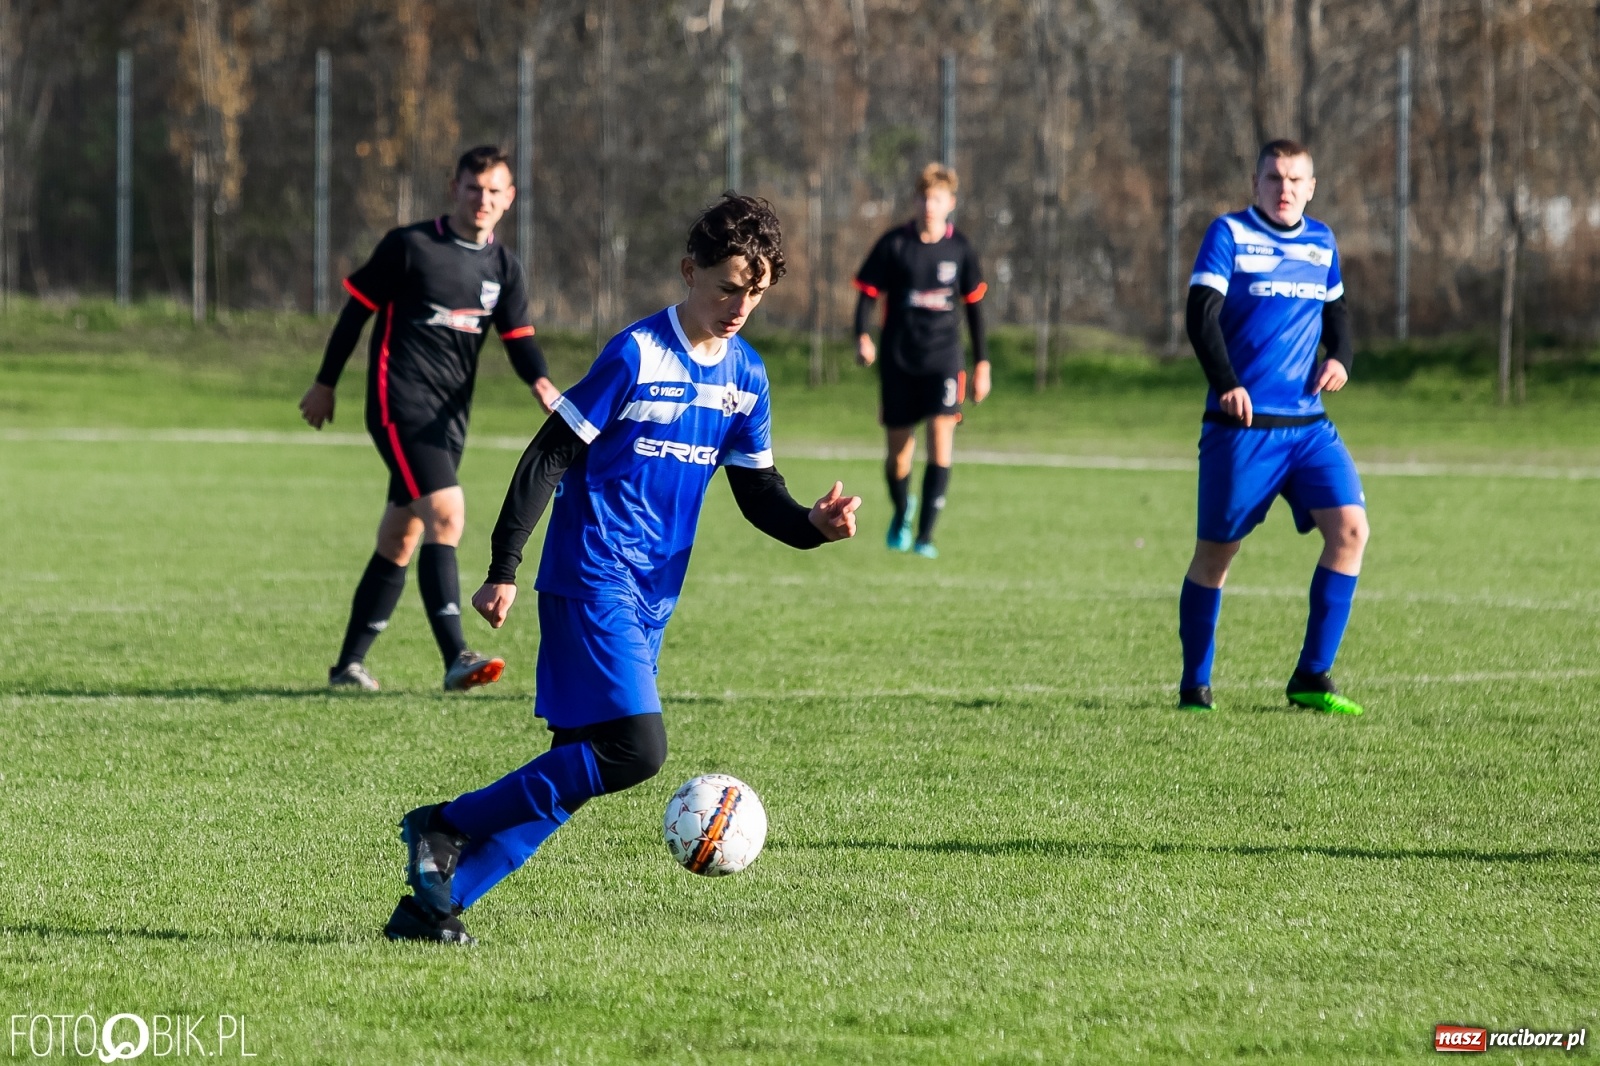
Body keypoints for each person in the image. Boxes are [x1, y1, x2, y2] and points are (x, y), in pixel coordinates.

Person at [384, 194, 861, 944]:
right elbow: (550, 453)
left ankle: (428, 910)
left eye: (756, 292)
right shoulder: (637, 353)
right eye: (727, 287)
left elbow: (757, 494)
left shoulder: (748, 376)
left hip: (650, 599)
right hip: (590, 573)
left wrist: (812, 526)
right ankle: (441, 825)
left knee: (574, 768)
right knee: (637, 750)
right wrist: (504, 562)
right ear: (689, 271)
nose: (740, 306)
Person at [299, 146, 560, 693]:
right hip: (399, 406)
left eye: (494, 191)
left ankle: (347, 666)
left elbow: (520, 340)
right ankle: (456, 655)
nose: (482, 199)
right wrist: (325, 383)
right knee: (446, 512)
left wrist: (539, 381)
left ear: (509, 198)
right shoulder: (411, 247)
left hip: (448, 420)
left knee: (401, 534)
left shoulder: (503, 268)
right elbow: (355, 314)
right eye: (473, 188)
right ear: (454, 187)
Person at [1177, 139, 1368, 716]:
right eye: (1273, 178)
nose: (1284, 189)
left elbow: (1337, 314)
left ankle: (1312, 676)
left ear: (1311, 187)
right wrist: (1228, 381)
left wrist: (1341, 360)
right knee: (1217, 555)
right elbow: (1199, 315)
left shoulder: (1321, 241)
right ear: (1254, 184)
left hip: (1308, 426)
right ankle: (1195, 685)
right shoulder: (1229, 235)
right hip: (1243, 429)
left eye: (1295, 180)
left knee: (1352, 532)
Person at [853, 163, 990, 558]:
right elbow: (866, 293)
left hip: (944, 360)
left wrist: (982, 364)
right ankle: (902, 510)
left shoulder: (960, 249)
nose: (929, 205)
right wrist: (861, 336)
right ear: (915, 201)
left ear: (950, 204)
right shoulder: (895, 244)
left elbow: (976, 311)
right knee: (899, 454)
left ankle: (925, 536)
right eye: (924, 197)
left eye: (938, 198)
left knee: (940, 439)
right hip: (898, 360)